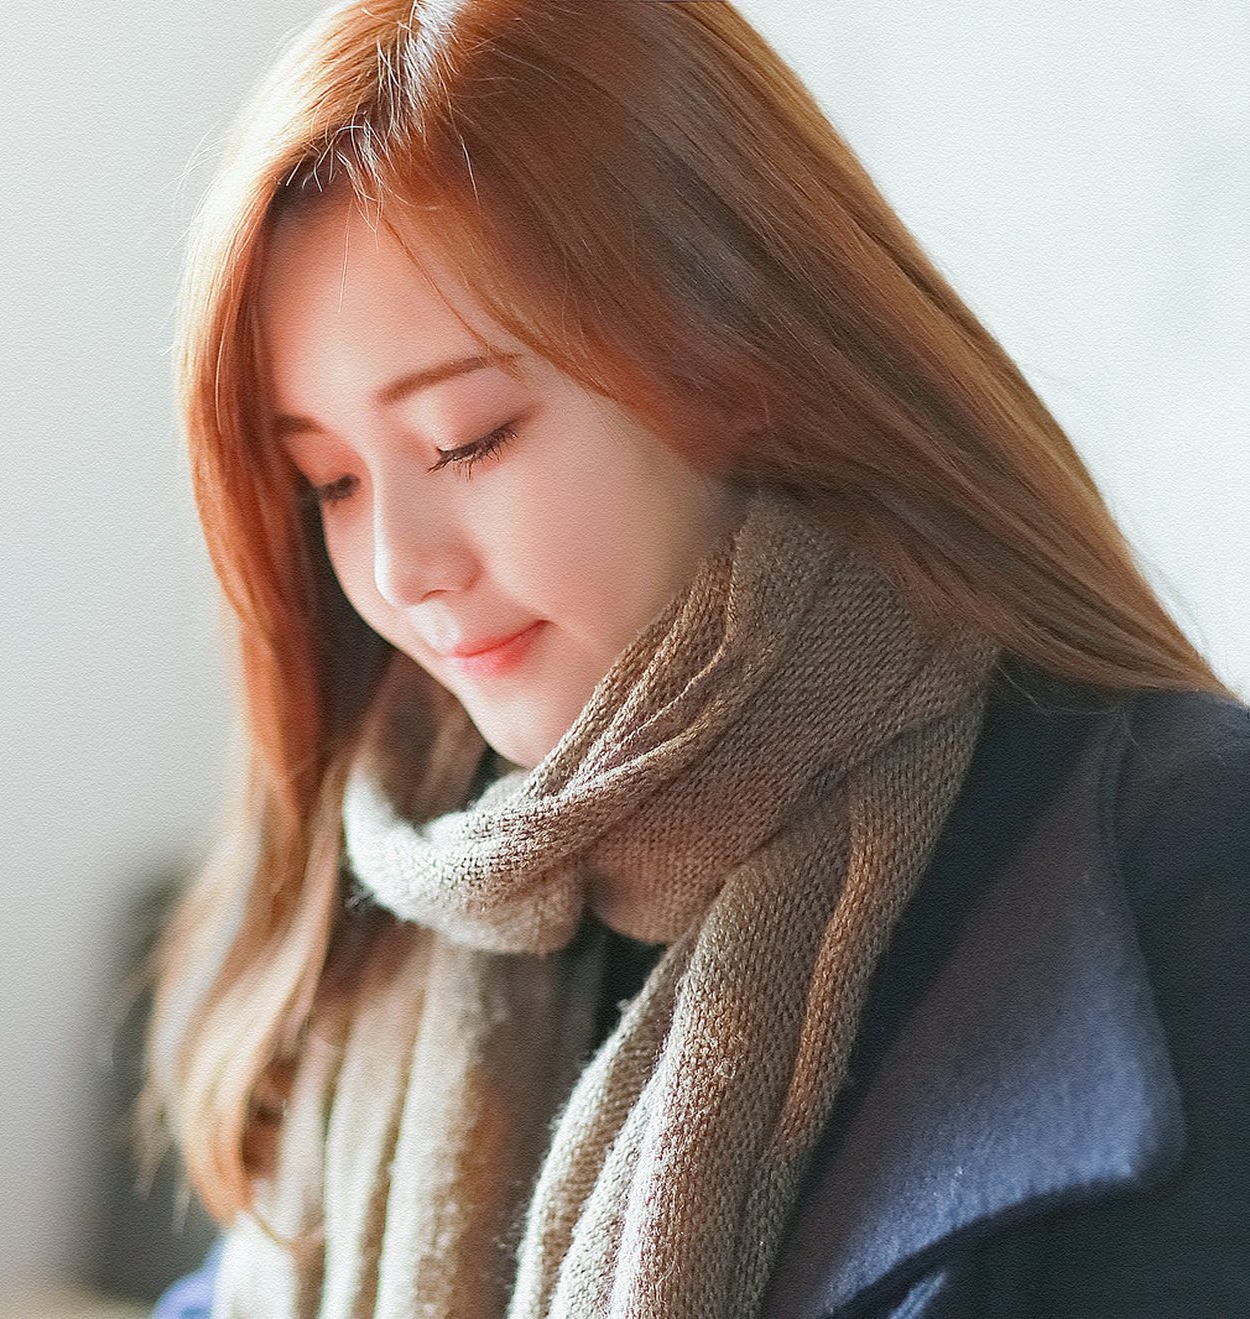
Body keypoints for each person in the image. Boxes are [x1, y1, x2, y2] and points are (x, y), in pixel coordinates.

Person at [143, 2, 1250, 1315]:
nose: (400, 568)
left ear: (729, 364)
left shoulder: (1184, 872)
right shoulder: (397, 892)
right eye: (326, 481)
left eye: (466, 439)